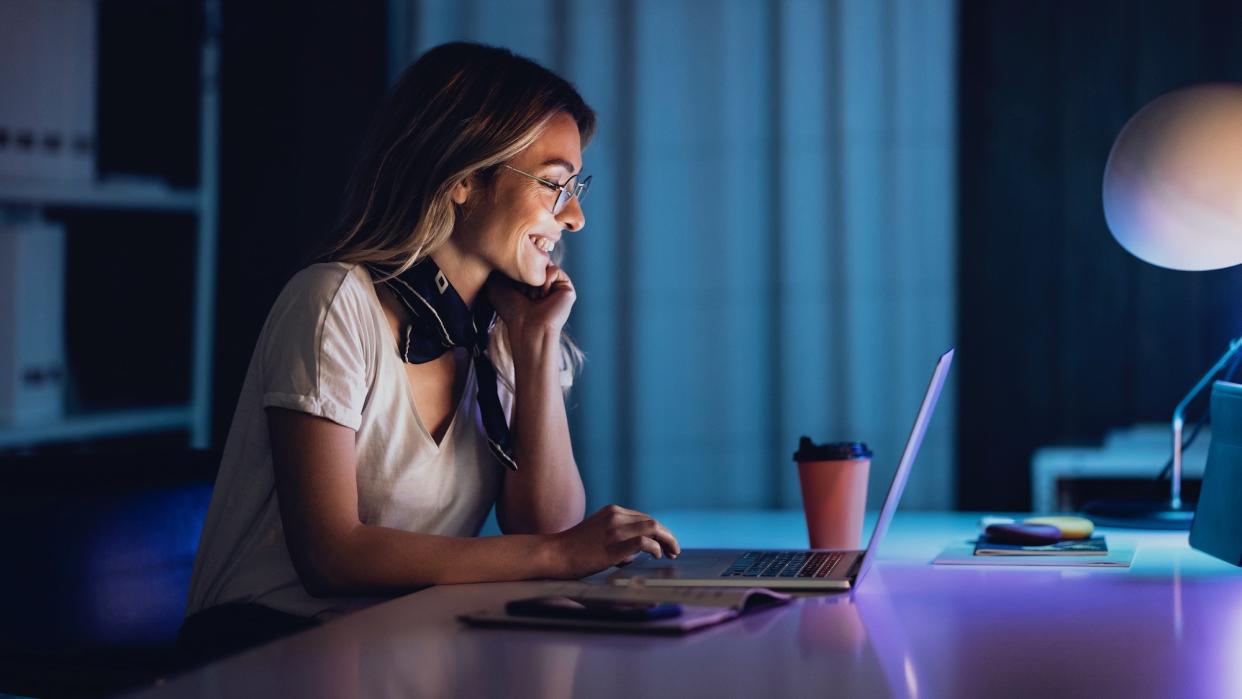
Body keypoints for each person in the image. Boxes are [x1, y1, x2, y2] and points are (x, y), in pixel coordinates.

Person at [179, 42, 679, 662]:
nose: (574, 216)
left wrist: (536, 342)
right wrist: (560, 554)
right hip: (263, 650)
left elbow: (546, 527)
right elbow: (329, 557)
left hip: (396, 645)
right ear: (465, 177)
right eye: (553, 184)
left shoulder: (500, 332)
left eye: (575, 186)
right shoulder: (334, 301)